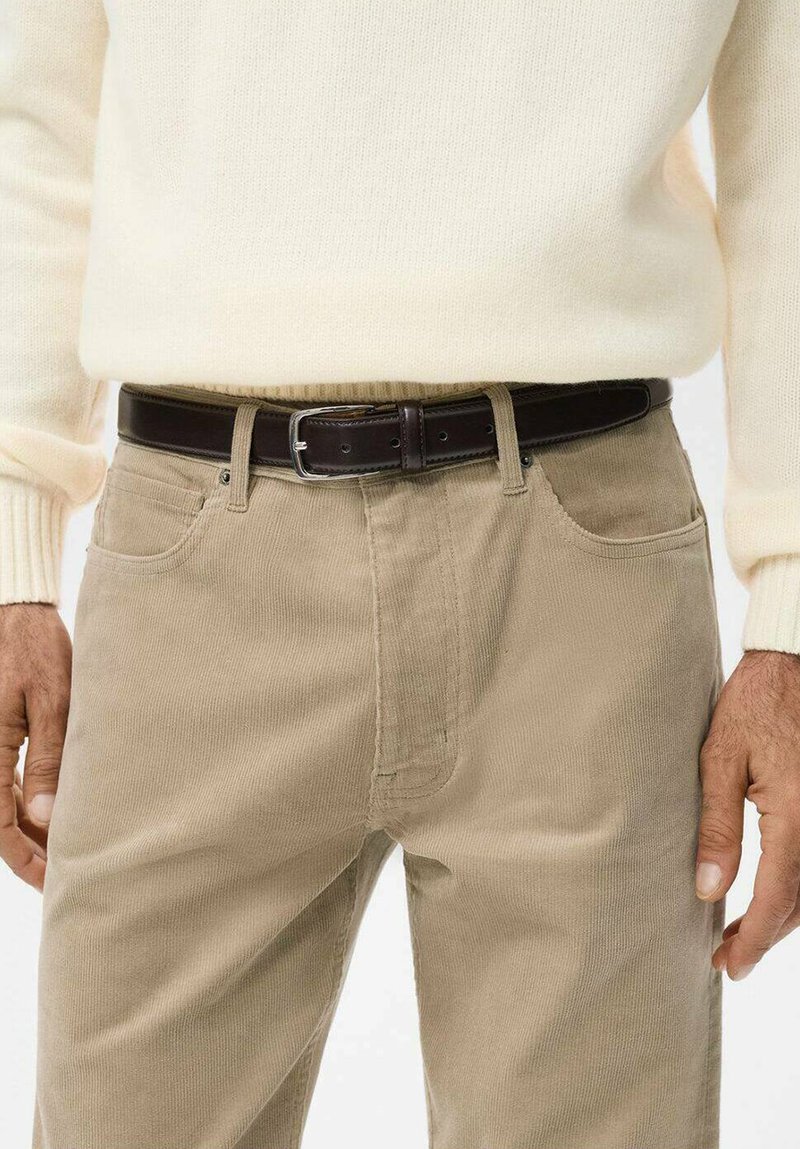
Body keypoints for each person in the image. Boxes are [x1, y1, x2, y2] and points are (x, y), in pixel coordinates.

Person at [1, 2, 798, 1147]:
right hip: (195, 557)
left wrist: (790, 611)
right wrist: (12, 539)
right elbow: (39, 111)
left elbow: (786, 143)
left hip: (580, 581)